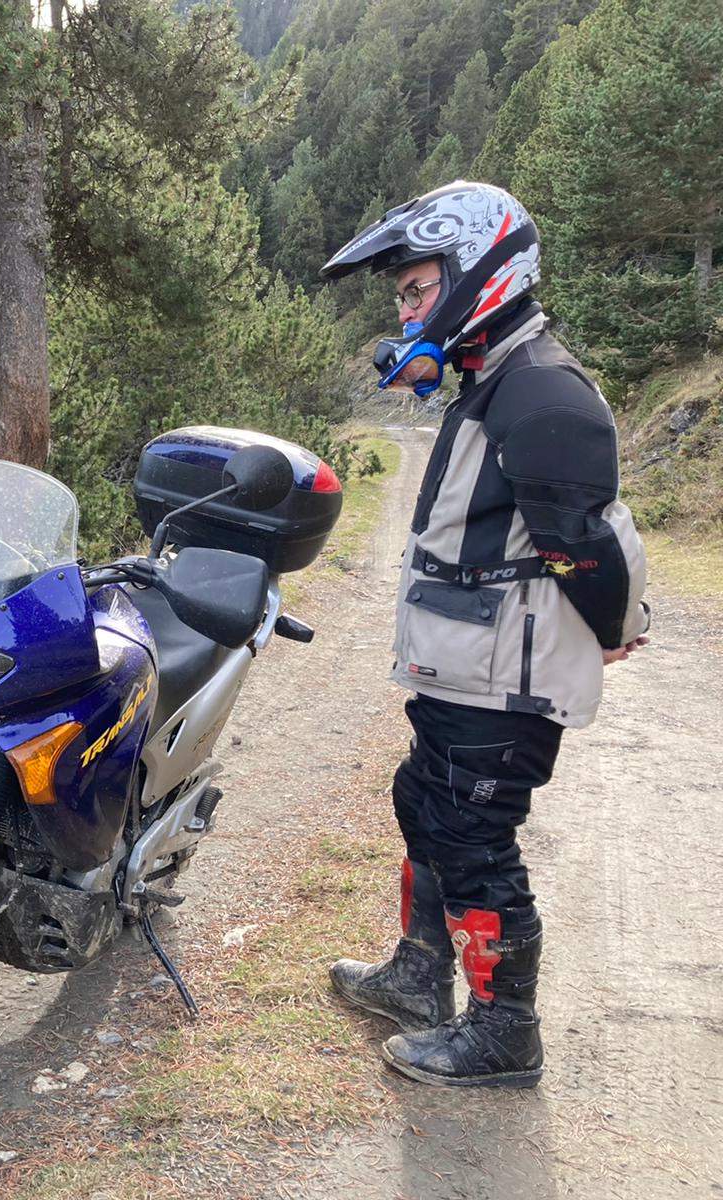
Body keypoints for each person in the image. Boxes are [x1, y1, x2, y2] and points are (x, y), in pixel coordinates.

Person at [320, 181, 651, 1087]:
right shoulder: (499, 374)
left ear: (479, 275)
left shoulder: (543, 391)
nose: (405, 308)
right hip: (465, 661)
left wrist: (616, 624)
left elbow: (581, 538)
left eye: (418, 290)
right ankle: (421, 977)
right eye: (402, 295)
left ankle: (506, 1032)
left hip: (505, 672)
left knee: (472, 837)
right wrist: (430, 360)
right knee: (425, 804)